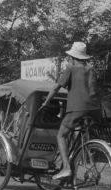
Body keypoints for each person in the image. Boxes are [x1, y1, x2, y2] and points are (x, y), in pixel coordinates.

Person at [41, 41, 102, 180]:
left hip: (77, 108)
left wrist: (46, 102)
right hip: (94, 108)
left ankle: (66, 168)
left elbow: (56, 88)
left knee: (61, 135)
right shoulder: (91, 69)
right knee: (84, 137)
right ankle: (92, 169)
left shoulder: (71, 68)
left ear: (73, 57)